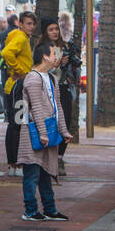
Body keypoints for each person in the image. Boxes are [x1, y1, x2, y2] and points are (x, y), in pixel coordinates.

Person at [16, 42, 71, 222]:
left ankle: (50, 209)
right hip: (34, 133)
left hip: (48, 131)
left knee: (46, 172)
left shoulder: (52, 78)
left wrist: (64, 131)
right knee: (32, 174)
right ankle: (30, 210)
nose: (57, 57)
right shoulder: (33, 78)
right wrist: (42, 133)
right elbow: (36, 108)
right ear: (45, 57)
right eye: (54, 54)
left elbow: (57, 107)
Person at [1, 11, 36, 176]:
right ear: (20, 24)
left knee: (16, 124)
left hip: (15, 85)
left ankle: (13, 164)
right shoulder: (21, 38)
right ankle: (15, 164)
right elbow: (6, 53)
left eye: (33, 24)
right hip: (18, 86)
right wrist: (21, 70)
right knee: (17, 124)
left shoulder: (22, 38)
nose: (32, 27)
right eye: (28, 23)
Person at [37, 16, 73, 176]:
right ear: (45, 32)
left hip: (63, 88)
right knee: (51, 122)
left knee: (65, 121)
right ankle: (49, 160)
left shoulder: (63, 47)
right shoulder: (42, 48)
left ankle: (59, 157)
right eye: (51, 29)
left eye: (56, 29)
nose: (55, 32)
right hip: (48, 89)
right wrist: (57, 64)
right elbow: (41, 69)